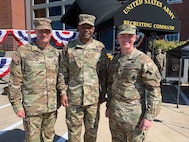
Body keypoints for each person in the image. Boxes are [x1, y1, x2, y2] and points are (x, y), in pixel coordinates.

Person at [8, 18, 65, 142]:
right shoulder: (23, 52)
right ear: (35, 32)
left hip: (51, 106)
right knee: (32, 139)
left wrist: (62, 94)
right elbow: (15, 81)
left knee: (49, 138)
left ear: (51, 33)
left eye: (47, 31)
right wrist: (17, 106)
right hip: (32, 107)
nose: (44, 34)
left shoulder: (56, 53)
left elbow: (60, 77)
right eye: (41, 31)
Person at [106, 24, 162, 142]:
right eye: (123, 36)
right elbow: (111, 86)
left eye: (130, 36)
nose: (126, 39)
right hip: (115, 115)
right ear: (118, 38)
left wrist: (149, 117)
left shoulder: (143, 60)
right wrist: (108, 107)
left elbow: (154, 90)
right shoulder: (115, 61)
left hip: (134, 117)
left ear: (135, 38)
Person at [61, 14, 108, 142]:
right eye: (83, 27)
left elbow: (103, 73)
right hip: (73, 98)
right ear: (78, 28)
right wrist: (63, 93)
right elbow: (62, 72)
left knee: (92, 132)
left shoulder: (100, 48)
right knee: (73, 133)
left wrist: (103, 93)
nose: (86, 30)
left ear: (93, 29)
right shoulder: (69, 47)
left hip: (93, 99)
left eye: (89, 27)